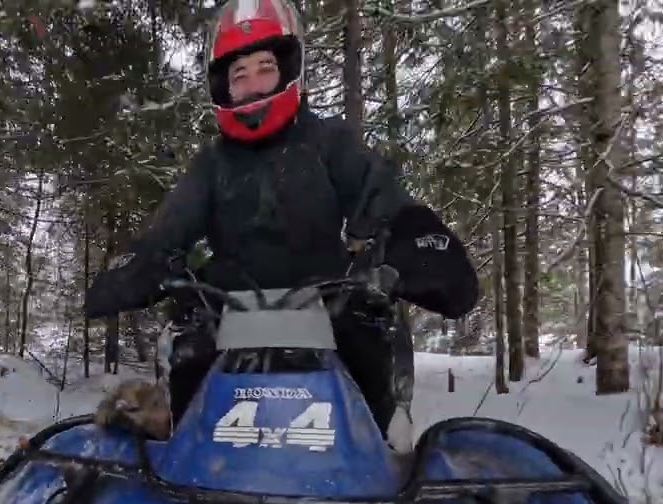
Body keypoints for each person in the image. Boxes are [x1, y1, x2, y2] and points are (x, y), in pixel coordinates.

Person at [84, 0, 479, 446]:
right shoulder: (211, 165)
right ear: (223, 86)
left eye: (264, 67)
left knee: (374, 350)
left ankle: (387, 452)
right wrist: (142, 265)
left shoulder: (329, 142)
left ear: (288, 69)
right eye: (239, 74)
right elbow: (170, 228)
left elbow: (382, 196)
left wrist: (415, 241)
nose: (253, 84)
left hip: (331, 304)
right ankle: (174, 445)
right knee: (185, 352)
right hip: (225, 312)